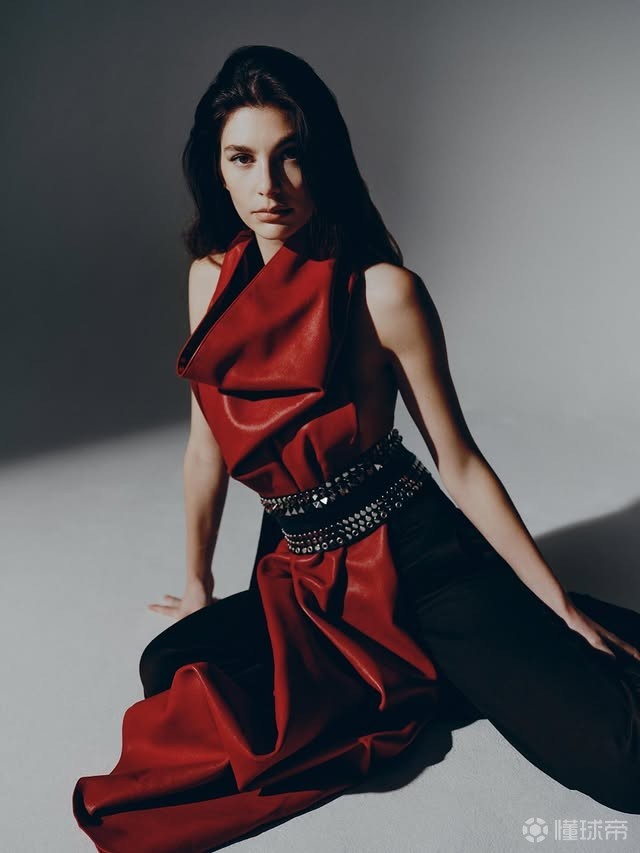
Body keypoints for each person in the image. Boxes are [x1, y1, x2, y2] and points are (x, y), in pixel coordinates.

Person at [73, 44, 640, 852]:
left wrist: (560, 605)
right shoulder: (209, 277)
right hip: (301, 567)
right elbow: (206, 446)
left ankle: (483, 644)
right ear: (217, 169)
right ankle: (432, 674)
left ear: (324, 161)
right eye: (243, 158)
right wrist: (198, 582)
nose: (268, 186)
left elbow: (460, 461)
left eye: (290, 155)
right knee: (173, 664)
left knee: (620, 764)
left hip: (419, 559)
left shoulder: (383, 292)